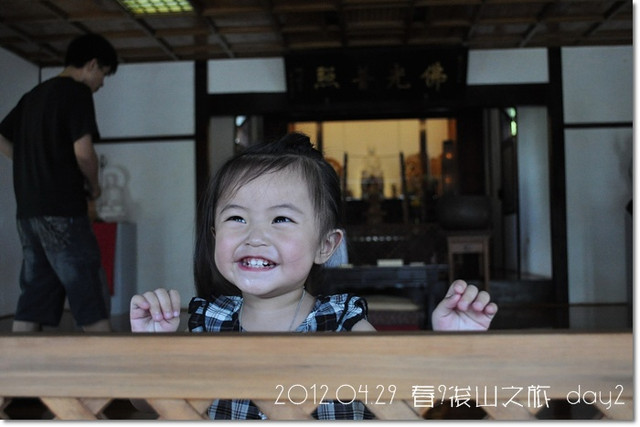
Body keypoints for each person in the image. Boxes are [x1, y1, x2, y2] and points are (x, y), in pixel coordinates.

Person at [130, 132, 498, 419]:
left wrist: (453, 348)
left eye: (281, 219)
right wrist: (151, 350)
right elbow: (146, 406)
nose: (255, 237)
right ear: (214, 234)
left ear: (326, 245)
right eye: (236, 218)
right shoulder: (206, 322)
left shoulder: (342, 324)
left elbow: (403, 403)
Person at [0, 33, 119, 332]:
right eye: (103, 74)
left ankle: (17, 360)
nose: (102, 83)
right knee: (87, 289)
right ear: (92, 65)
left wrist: (28, 164)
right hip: (63, 210)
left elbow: (1, 136)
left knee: (35, 293)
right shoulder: (76, 93)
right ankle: (108, 358)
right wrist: (95, 187)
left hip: (28, 212)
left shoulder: (33, 96)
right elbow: (84, 153)